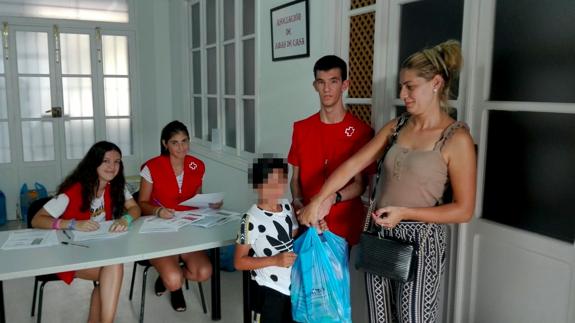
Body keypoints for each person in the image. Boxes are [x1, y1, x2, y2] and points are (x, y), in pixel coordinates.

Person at [299, 40, 477, 323]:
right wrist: (320, 200)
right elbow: (353, 165)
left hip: (422, 242)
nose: (402, 94)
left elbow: (463, 210)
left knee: (413, 318)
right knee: (379, 318)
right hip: (380, 233)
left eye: (410, 86)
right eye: (401, 86)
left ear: (436, 83)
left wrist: (405, 214)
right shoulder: (397, 127)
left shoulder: (457, 139)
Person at [32, 140, 140, 323]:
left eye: (117, 161)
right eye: (106, 161)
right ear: (94, 162)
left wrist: (126, 218)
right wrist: (72, 224)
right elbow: (37, 219)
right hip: (69, 253)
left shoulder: (115, 185)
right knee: (113, 267)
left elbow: (134, 208)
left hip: (97, 250)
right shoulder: (73, 190)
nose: (112, 167)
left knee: (108, 278)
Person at [288, 55, 374, 245]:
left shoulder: (360, 131)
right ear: (315, 86)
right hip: (307, 221)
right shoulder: (301, 129)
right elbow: (295, 178)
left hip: (342, 224)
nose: (326, 89)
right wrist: (298, 202)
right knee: (304, 274)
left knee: (335, 275)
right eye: (321, 82)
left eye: (333, 81)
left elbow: (361, 184)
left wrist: (330, 200)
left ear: (344, 85)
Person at [138, 120, 220, 312]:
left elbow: (196, 199)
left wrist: (210, 203)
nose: (181, 147)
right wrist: (158, 210)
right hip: (159, 227)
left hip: (187, 228)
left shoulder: (197, 165)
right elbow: (142, 203)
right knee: (174, 280)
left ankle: (167, 277)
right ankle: (174, 286)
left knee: (204, 272)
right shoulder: (151, 167)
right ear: (165, 143)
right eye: (175, 142)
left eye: (184, 141)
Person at [234, 156, 298, 323]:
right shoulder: (249, 219)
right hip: (269, 289)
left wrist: (317, 225)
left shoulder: (285, 205)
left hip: (292, 285)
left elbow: (293, 234)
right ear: (257, 185)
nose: (276, 188)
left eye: (281, 181)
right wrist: (275, 260)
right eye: (269, 182)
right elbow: (239, 262)